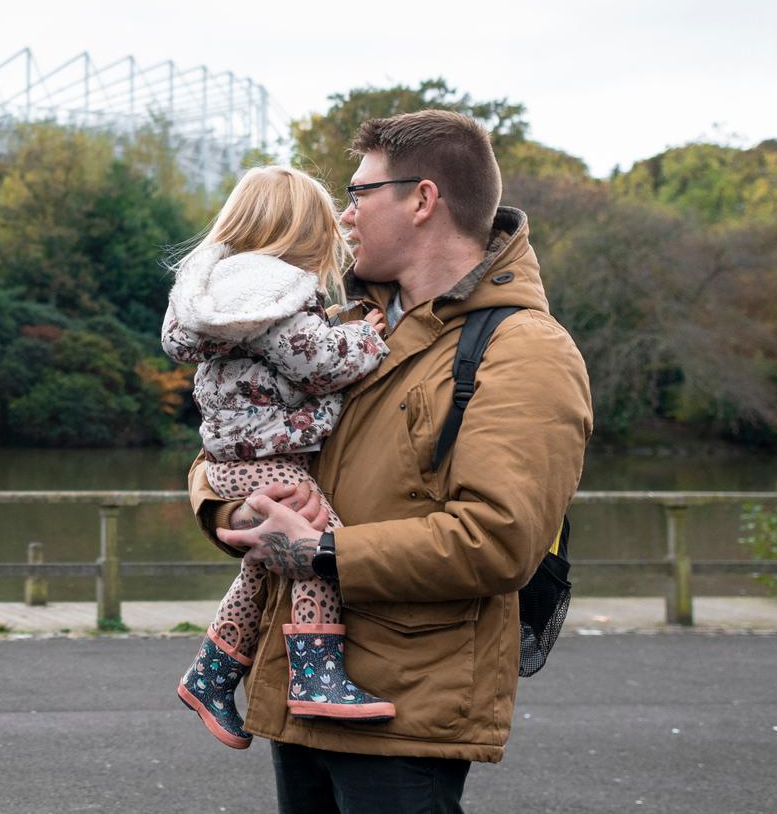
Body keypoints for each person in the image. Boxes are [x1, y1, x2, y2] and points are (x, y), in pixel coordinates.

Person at [193, 110, 592, 814]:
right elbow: (230, 443)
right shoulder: (340, 330)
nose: (343, 218)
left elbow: (498, 540)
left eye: (358, 194)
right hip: (301, 695)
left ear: (422, 199)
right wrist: (233, 508)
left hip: (404, 712)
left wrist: (320, 553)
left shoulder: (526, 350)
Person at [161, 165, 398, 748]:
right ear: (301, 234)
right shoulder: (268, 295)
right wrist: (367, 336)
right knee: (320, 550)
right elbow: (320, 365)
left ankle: (212, 673)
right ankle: (317, 676)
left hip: (233, 456)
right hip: (267, 456)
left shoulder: (223, 293)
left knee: (261, 566)